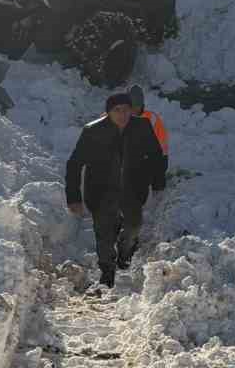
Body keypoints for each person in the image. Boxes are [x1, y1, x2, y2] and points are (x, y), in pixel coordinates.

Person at [66, 91, 167, 288]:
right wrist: (73, 198)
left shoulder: (142, 126)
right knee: (104, 235)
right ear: (108, 113)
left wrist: (158, 183)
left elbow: (156, 155)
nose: (122, 114)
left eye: (126, 110)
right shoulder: (92, 131)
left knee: (134, 226)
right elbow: (74, 164)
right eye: (117, 110)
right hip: (101, 191)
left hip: (132, 188)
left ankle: (125, 251)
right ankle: (107, 273)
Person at [129, 83, 170, 158]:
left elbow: (163, 142)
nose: (135, 109)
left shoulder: (152, 118)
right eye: (132, 106)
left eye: (137, 105)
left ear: (142, 105)